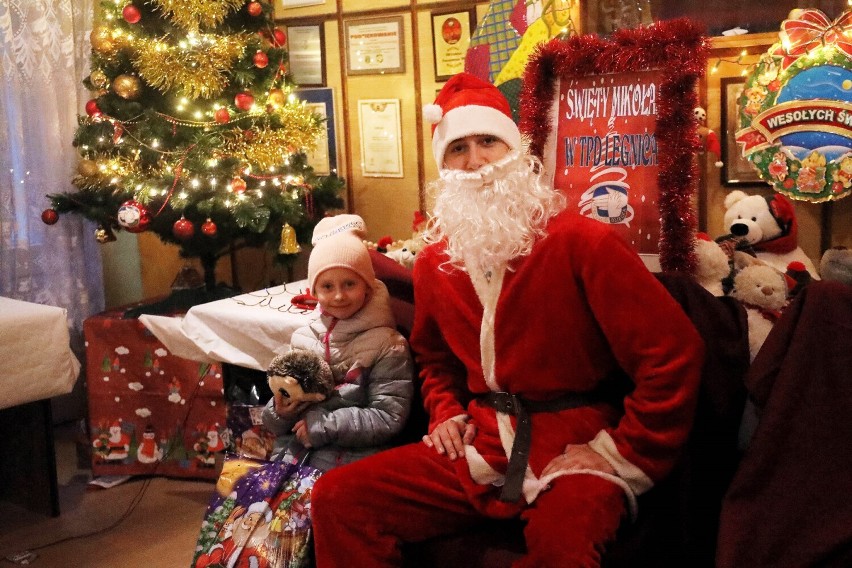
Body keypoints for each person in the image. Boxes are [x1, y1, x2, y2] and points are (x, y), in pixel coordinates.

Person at [310, 73, 704, 567]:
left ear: (517, 151)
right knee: (340, 499)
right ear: (442, 165)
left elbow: (672, 353)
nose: (475, 163)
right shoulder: (437, 263)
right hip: (484, 441)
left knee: (564, 548)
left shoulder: (582, 242)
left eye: (488, 142)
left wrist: (620, 450)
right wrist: (446, 410)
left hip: (577, 441)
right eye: (457, 149)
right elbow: (434, 358)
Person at [261, 214, 414, 472]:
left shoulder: (389, 344)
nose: (339, 295)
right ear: (314, 291)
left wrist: (323, 427)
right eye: (327, 286)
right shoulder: (303, 338)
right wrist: (280, 411)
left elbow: (388, 416)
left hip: (349, 464)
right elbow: (276, 418)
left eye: (350, 284)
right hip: (293, 463)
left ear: (367, 285)